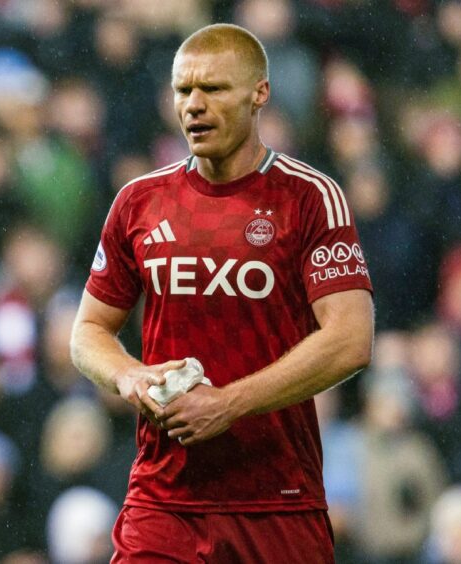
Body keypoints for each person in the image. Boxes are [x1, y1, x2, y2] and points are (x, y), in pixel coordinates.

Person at [70, 23, 374, 562]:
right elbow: (88, 332)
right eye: (184, 90)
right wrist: (128, 374)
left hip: (278, 499)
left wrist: (229, 404)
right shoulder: (139, 202)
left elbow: (351, 339)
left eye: (213, 89)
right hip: (163, 500)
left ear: (260, 93)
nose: (194, 105)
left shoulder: (309, 198)